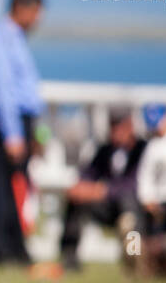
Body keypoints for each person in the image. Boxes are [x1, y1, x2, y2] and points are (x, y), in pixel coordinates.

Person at [0, 0, 45, 266]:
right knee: (6, 187)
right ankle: (5, 250)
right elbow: (4, 89)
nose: (37, 20)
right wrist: (14, 134)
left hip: (21, 122)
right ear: (21, 8)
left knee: (17, 185)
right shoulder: (3, 38)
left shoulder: (14, 38)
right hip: (11, 123)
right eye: (35, 13)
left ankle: (16, 247)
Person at [58, 110, 146, 271]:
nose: (115, 131)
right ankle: (69, 257)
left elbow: (136, 184)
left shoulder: (143, 149)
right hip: (107, 207)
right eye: (112, 125)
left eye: (119, 126)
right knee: (77, 199)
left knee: (129, 208)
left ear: (130, 126)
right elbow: (89, 173)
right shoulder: (105, 150)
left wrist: (104, 189)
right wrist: (79, 187)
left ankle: (134, 260)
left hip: (135, 207)